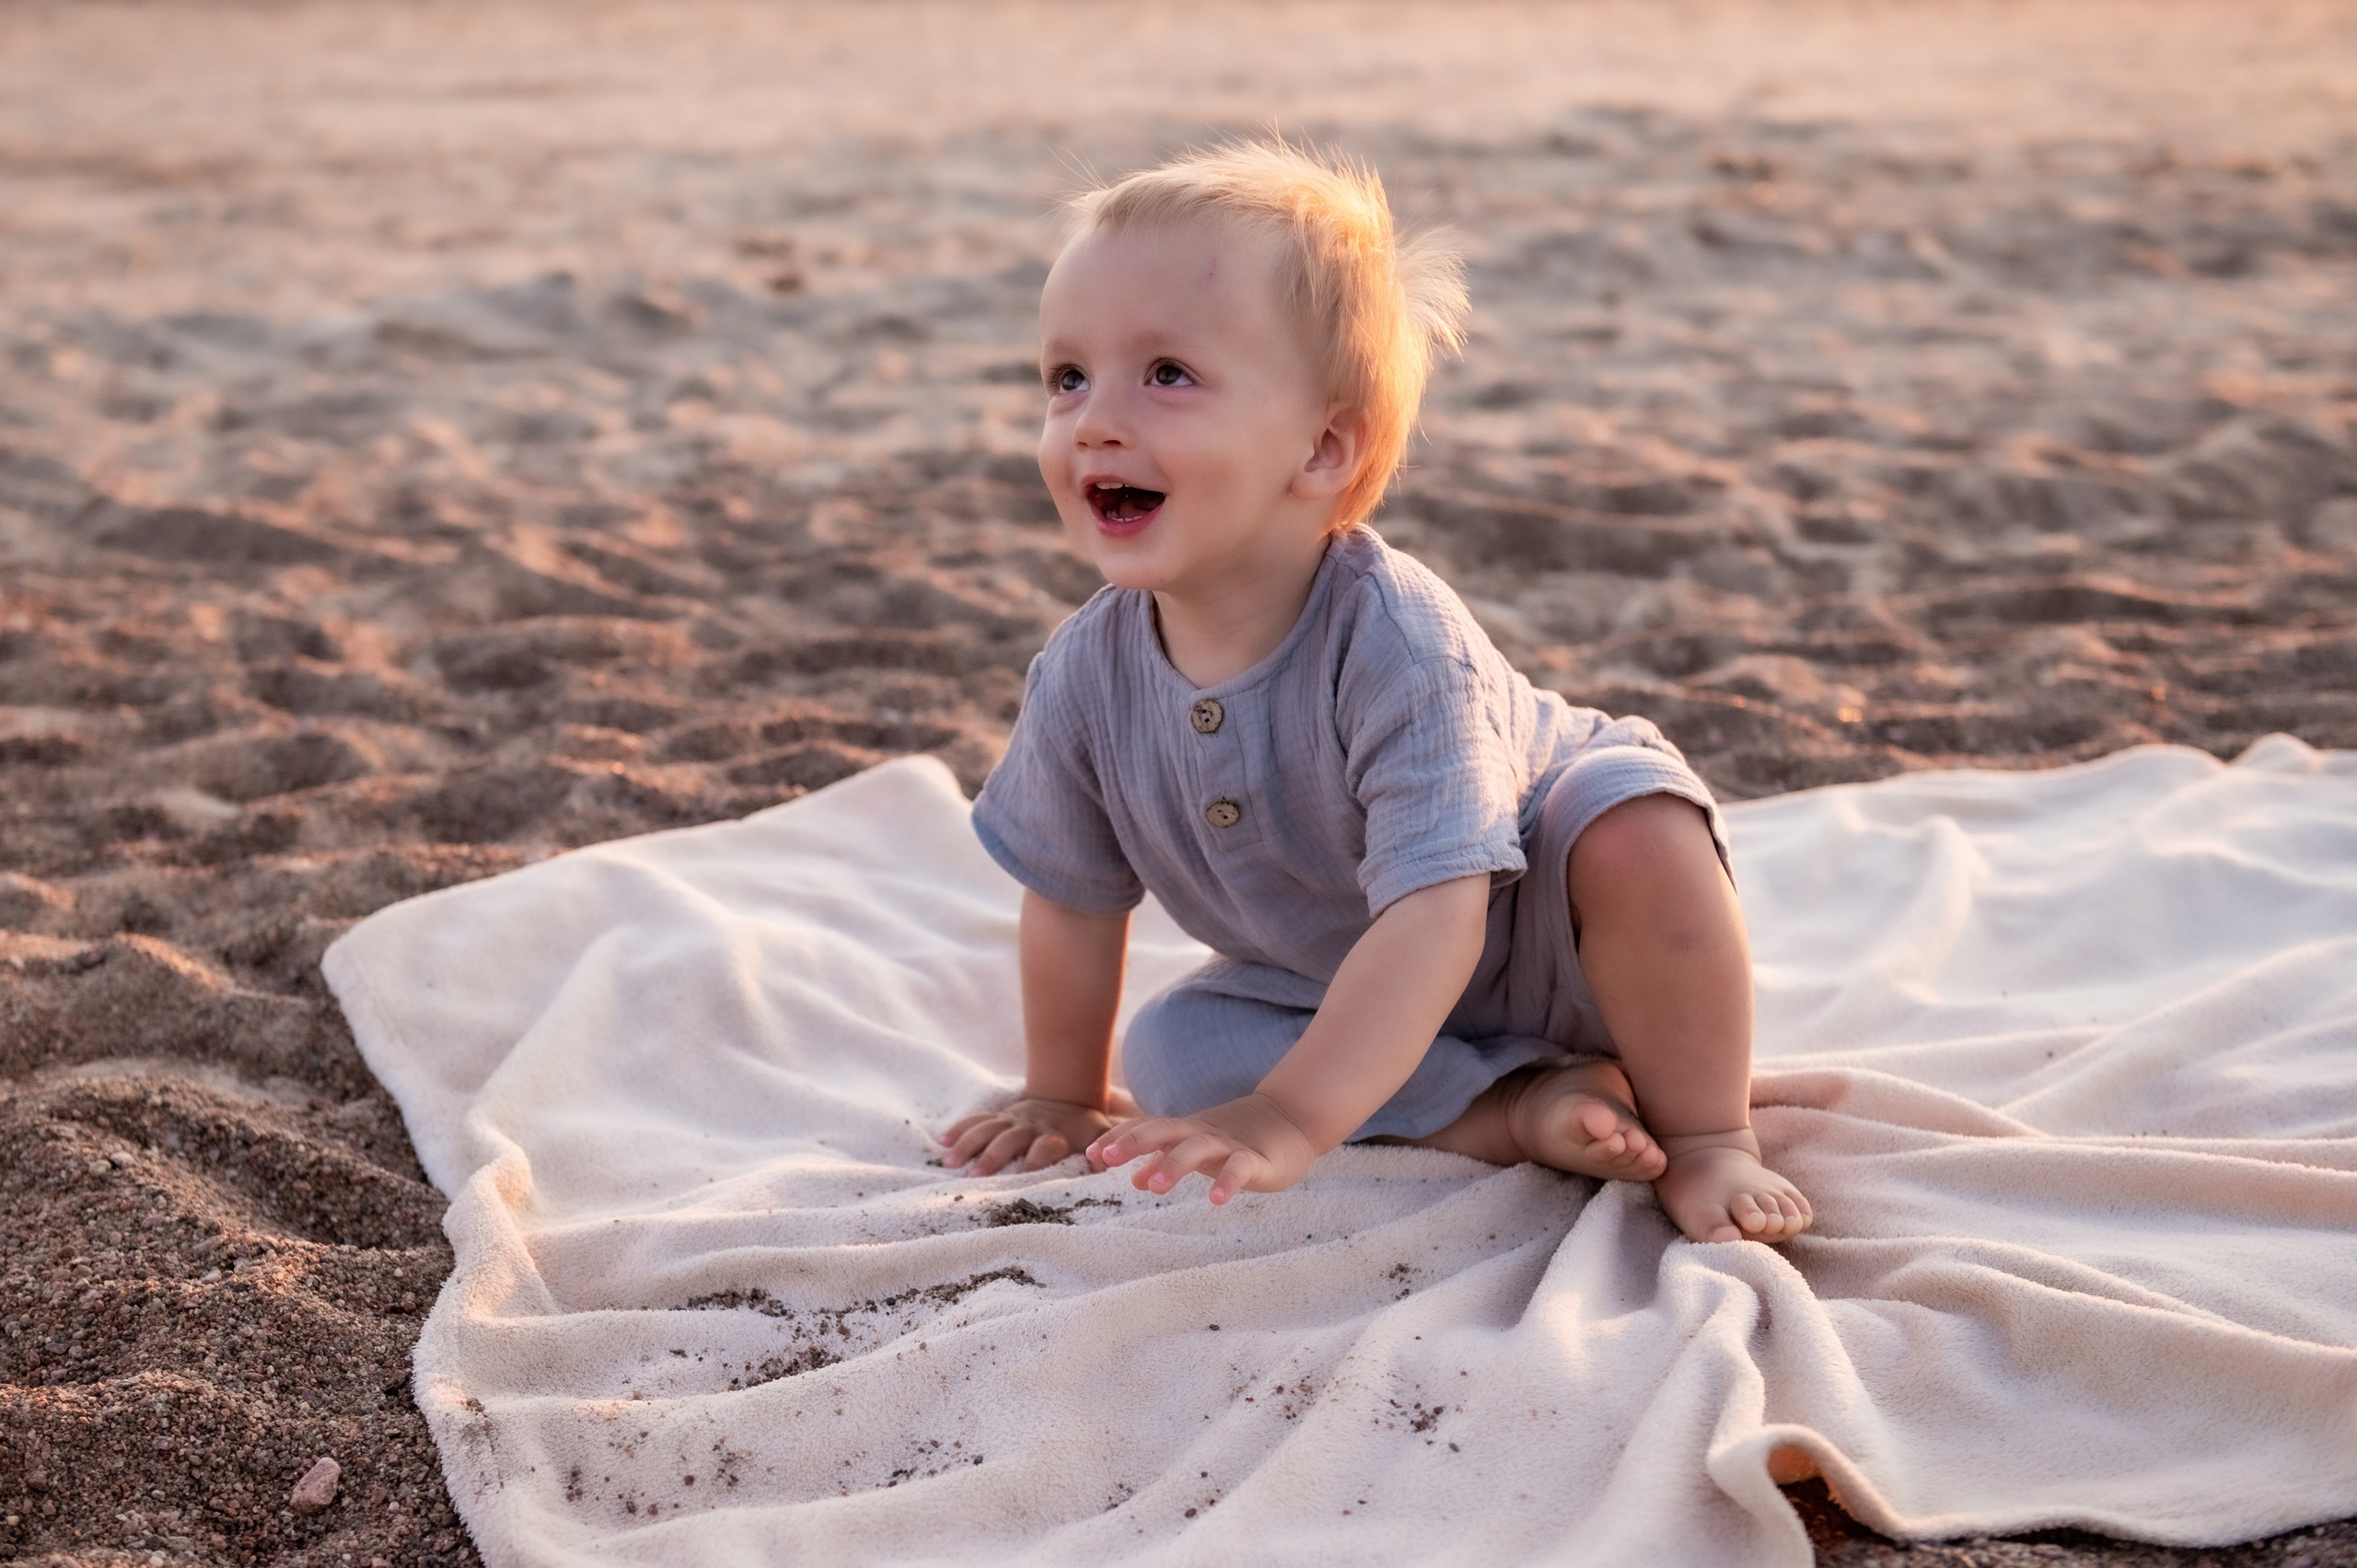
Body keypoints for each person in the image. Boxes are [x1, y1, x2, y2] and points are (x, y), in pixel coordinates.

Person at [940, 141, 1810, 1244]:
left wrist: (1291, 1115)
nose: (1093, 420)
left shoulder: (1394, 638)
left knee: (1639, 822)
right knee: (1170, 1053)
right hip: (1330, 980)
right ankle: (1518, 1107)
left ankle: (1702, 1136)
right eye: (1066, 378)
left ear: (1321, 449)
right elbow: (1070, 896)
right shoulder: (1085, 674)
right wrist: (1063, 1089)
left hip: (1554, 929)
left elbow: (1440, 912)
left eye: (1166, 374)